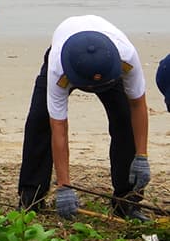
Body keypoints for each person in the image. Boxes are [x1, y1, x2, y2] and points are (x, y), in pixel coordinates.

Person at [18, 16, 150, 221]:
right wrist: (64, 186)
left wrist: (142, 156)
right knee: (39, 121)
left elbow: (138, 105)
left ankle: (127, 202)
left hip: (107, 64)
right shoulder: (58, 68)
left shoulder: (126, 57)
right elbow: (58, 126)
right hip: (73, 61)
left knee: (125, 121)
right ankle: (31, 197)